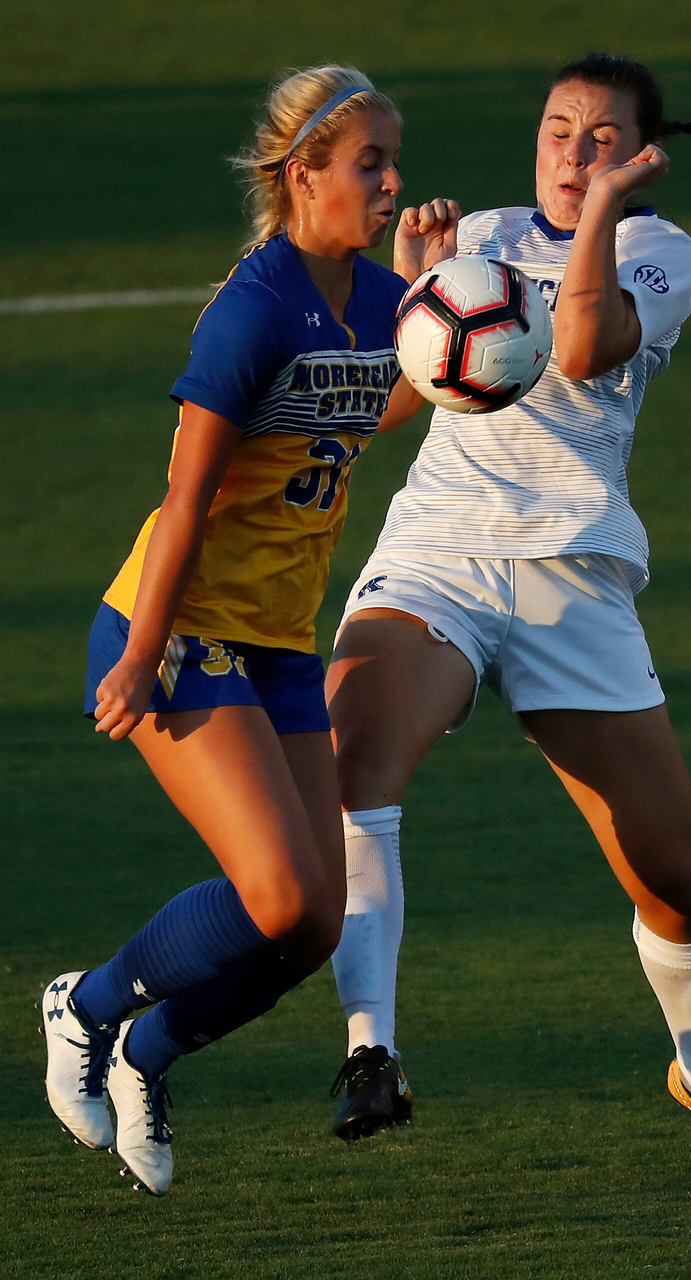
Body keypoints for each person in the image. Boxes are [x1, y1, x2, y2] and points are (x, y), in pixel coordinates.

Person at [325, 53, 691, 1174]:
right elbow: (393, 402)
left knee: (671, 877)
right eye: (557, 131)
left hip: (571, 576)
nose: (572, 153)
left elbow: (588, 346)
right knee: (353, 753)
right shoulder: (478, 236)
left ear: (639, 154)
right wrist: (407, 289)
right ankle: (370, 1050)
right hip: (437, 553)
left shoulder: (657, 251)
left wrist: (598, 212)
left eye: (601, 138)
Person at [39, 64, 457, 1197]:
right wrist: (135, 653)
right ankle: (82, 1006)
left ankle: (147, 1049)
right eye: (368, 161)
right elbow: (183, 501)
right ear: (299, 175)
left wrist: (429, 311)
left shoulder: (375, 297)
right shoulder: (253, 309)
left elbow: (381, 403)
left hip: (276, 639)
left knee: (316, 923)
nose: (389, 180)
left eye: (390, 158)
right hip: (174, 630)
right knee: (274, 891)